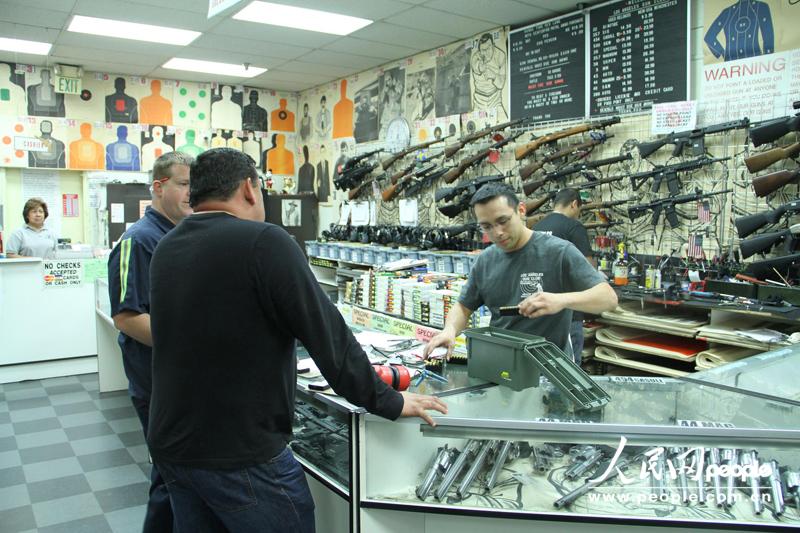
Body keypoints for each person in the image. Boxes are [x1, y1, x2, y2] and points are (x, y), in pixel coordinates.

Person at [147, 148, 446, 532]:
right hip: (240, 453)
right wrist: (387, 400)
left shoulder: (168, 246)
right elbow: (329, 338)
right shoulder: (264, 241)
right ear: (250, 189)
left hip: (173, 444)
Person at [424, 183, 617, 361]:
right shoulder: (485, 261)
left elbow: (608, 298)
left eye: (503, 221)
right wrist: (449, 330)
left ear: (521, 211)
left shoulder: (559, 252)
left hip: (550, 368)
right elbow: (463, 307)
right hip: (502, 364)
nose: (497, 232)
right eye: (487, 226)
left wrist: (561, 300)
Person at [107, 151, 194, 533]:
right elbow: (127, 317)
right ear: (159, 188)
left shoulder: (181, 236)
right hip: (156, 381)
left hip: (181, 379)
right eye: (185, 184)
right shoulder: (139, 240)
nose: (193, 192)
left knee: (181, 475)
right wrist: (192, 344)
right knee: (170, 476)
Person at [533, 189, 596, 364]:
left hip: (540, 306)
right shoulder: (573, 227)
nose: (578, 214)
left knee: (544, 365)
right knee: (570, 370)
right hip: (568, 310)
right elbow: (588, 269)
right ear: (574, 204)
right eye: (580, 210)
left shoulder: (537, 228)